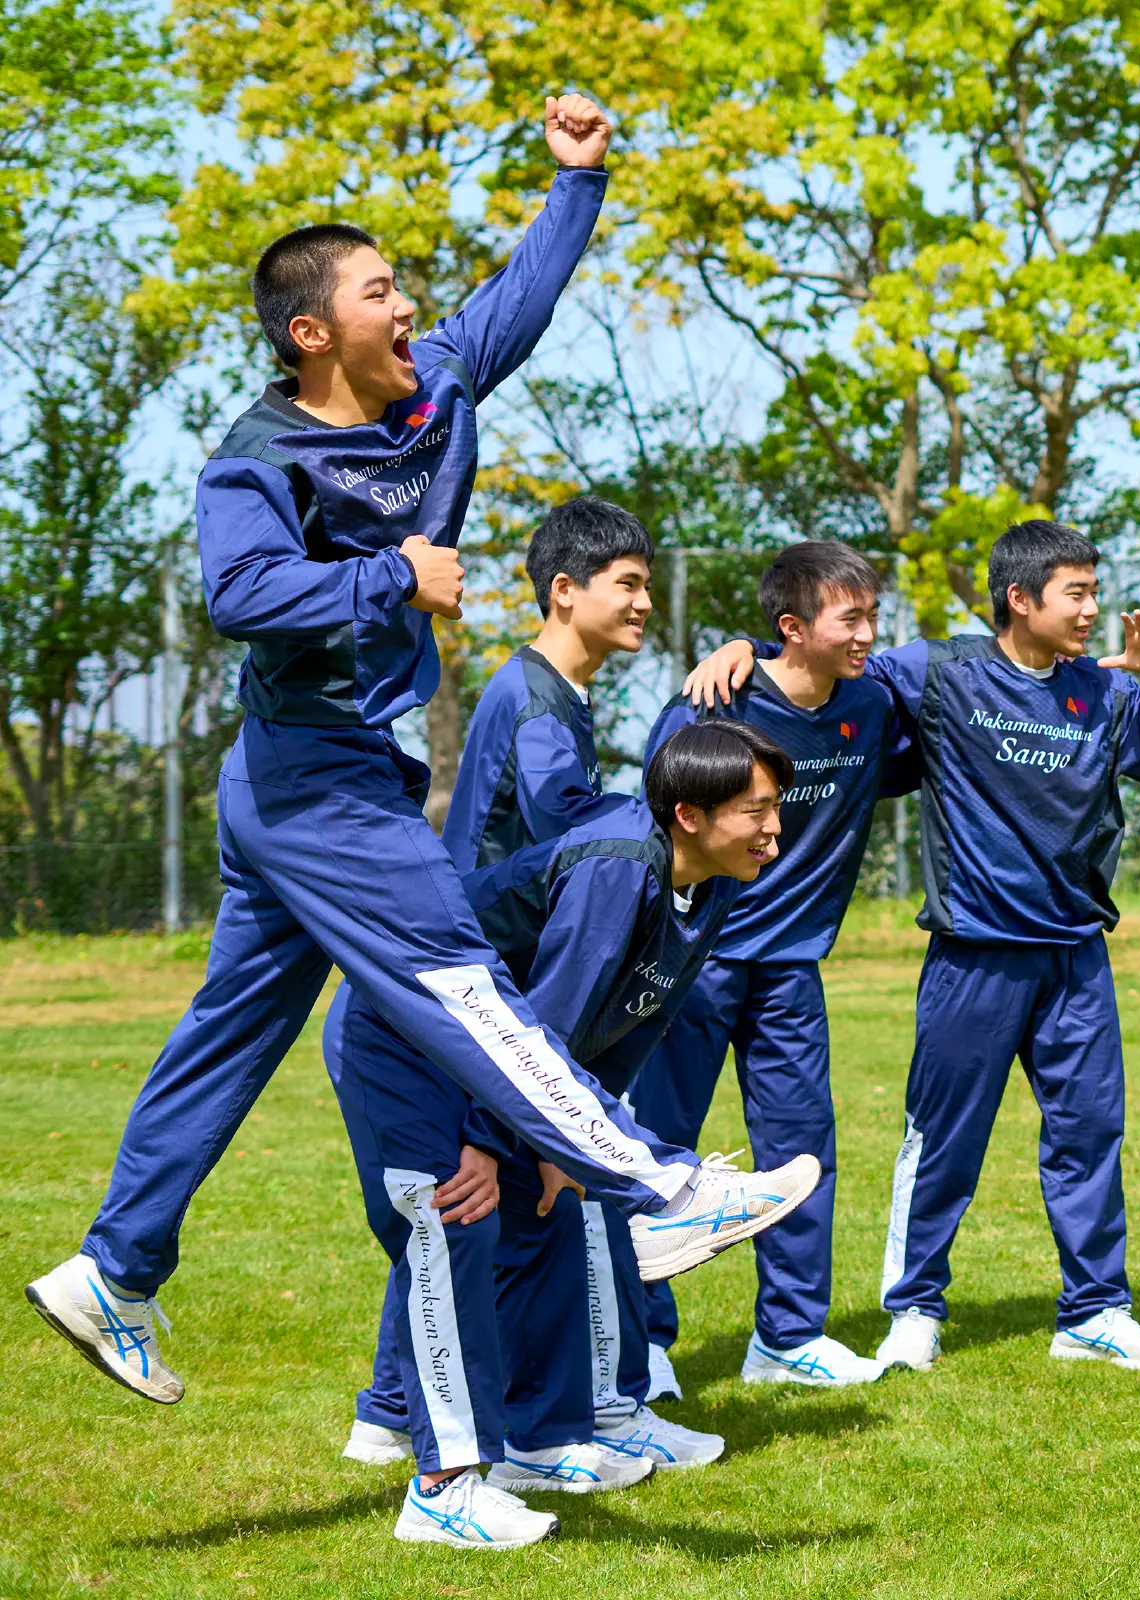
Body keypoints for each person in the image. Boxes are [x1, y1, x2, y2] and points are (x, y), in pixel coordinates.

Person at [22, 95, 814, 1408]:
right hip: (311, 779)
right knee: (464, 987)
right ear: (312, 332)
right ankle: (656, 1187)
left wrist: (581, 179)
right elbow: (240, 594)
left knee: (231, 1031)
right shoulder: (255, 457)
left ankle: (116, 1268)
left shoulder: (435, 383)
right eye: (382, 290)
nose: (411, 307)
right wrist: (394, 578)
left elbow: (525, 299)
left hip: (325, 781)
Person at [686, 519, 1140, 1372]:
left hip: (1076, 955)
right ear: (1020, 598)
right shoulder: (938, 673)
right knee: (943, 1140)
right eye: (1076, 593)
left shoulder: (1105, 694)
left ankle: (1095, 1311)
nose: (1091, 610)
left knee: (1089, 1131)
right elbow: (823, 659)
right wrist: (740, 645)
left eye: (1092, 591)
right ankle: (915, 1309)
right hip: (974, 955)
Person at [325, 720, 790, 1547]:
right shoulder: (618, 865)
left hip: (505, 1063)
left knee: (548, 1220)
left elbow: (625, 1024)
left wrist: (555, 1146)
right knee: (456, 1227)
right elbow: (545, 1018)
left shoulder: (713, 881)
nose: (774, 828)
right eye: (756, 810)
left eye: (774, 808)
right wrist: (489, 1138)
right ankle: (441, 1486)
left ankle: (536, 1443)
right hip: (405, 1038)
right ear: (689, 813)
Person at [636, 541, 918, 1393]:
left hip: (791, 969)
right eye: (852, 617)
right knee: (655, 1153)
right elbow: (656, 812)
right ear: (792, 628)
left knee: (802, 1149)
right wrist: (739, 653)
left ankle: (788, 1337)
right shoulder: (715, 702)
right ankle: (641, 1347)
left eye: (874, 614)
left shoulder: (870, 706)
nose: (871, 632)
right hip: (692, 962)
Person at [447, 494, 654, 872]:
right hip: (486, 927)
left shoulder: (557, 687)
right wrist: (671, 816)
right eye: (628, 584)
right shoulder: (532, 694)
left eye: (647, 588)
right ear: (564, 589)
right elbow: (569, 823)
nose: (644, 603)